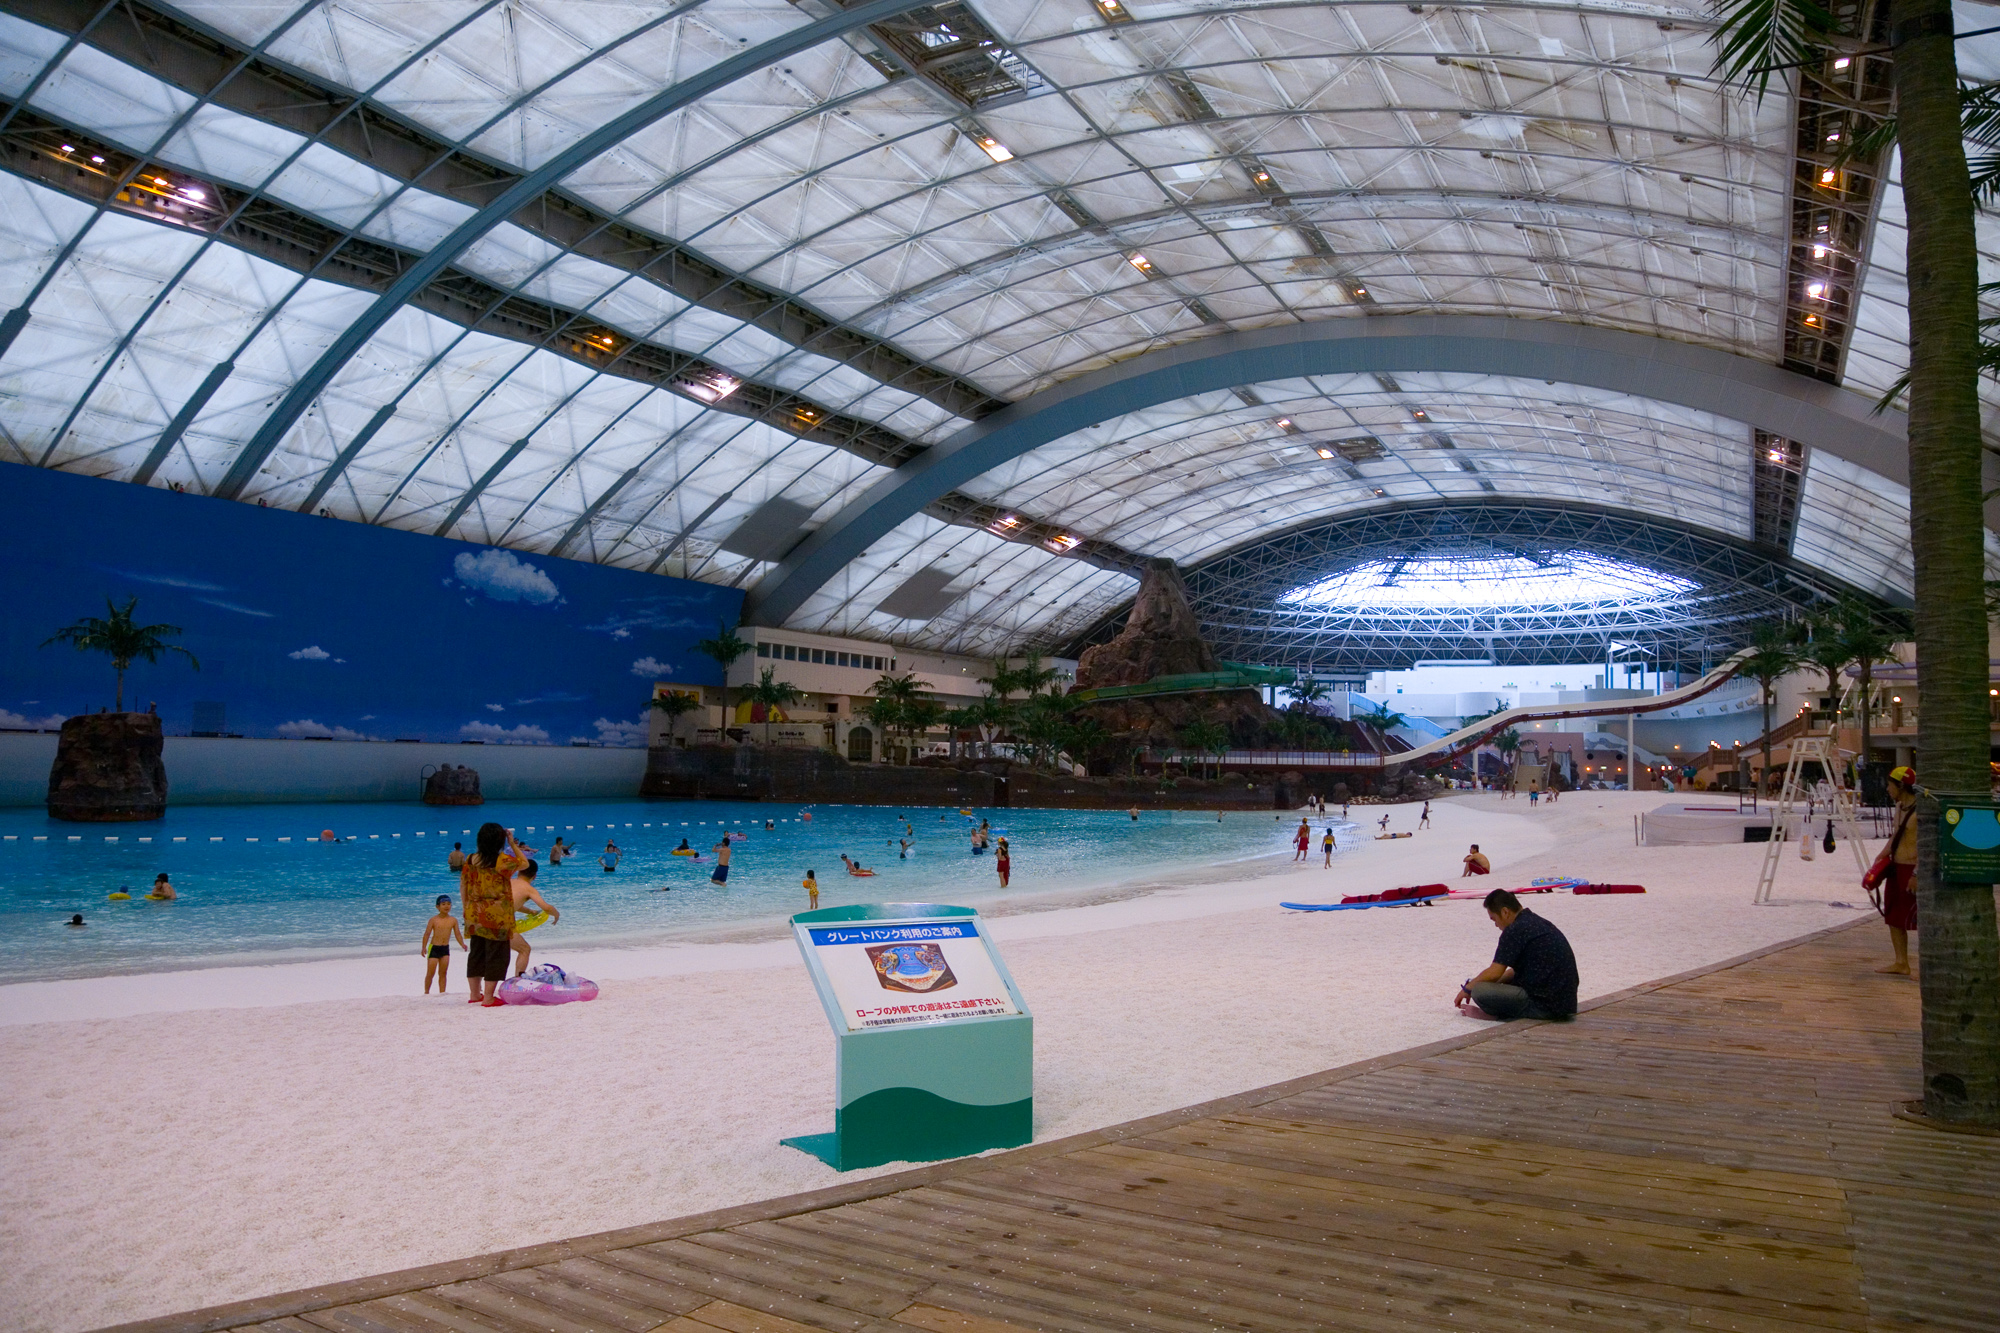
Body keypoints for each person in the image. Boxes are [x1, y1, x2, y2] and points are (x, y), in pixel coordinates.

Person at [1454, 889, 1578, 1021]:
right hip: (1565, 1005)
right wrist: (1493, 984)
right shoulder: (1536, 922)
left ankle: (1496, 1015)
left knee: (1479, 990)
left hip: (1543, 1007)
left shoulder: (1514, 930)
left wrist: (1468, 989)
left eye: (1494, 919)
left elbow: (1495, 972)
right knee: (1484, 984)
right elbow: (1514, 971)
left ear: (1505, 912)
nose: (1496, 925)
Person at [459, 822, 525, 1006]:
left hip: (474, 912)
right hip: (497, 916)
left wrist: (466, 908)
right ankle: (488, 997)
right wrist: (512, 844)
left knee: (477, 953)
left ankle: (474, 995)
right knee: (497, 954)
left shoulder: (471, 859)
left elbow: (463, 885)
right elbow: (525, 863)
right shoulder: (501, 861)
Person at [1863, 765, 1920, 975]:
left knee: (1918, 918)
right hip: (1896, 868)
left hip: (1912, 869)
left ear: (1901, 786)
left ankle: (1927, 967)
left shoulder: (1920, 810)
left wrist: (1916, 873)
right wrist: (1881, 856)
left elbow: (1926, 844)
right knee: (1893, 916)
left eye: (1890, 785)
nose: (1887, 789)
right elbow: (1896, 836)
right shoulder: (1899, 807)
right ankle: (1901, 962)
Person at [507, 862, 559, 976]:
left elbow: (511, 904)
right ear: (534, 876)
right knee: (524, 949)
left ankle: (478, 990)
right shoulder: (528, 889)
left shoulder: (508, 881)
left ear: (518, 871)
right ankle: (518, 980)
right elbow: (547, 907)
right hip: (502, 923)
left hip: (486, 918)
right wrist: (556, 915)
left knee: (491, 953)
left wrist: (530, 911)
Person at [420, 895, 464, 994]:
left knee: (443, 973)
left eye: (448, 904)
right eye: (443, 904)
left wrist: (462, 944)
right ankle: (426, 992)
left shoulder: (453, 920)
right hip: (434, 948)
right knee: (431, 973)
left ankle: (442, 993)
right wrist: (423, 947)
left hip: (445, 949)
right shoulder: (433, 920)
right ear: (437, 907)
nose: (446, 906)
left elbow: (457, 934)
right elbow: (427, 934)